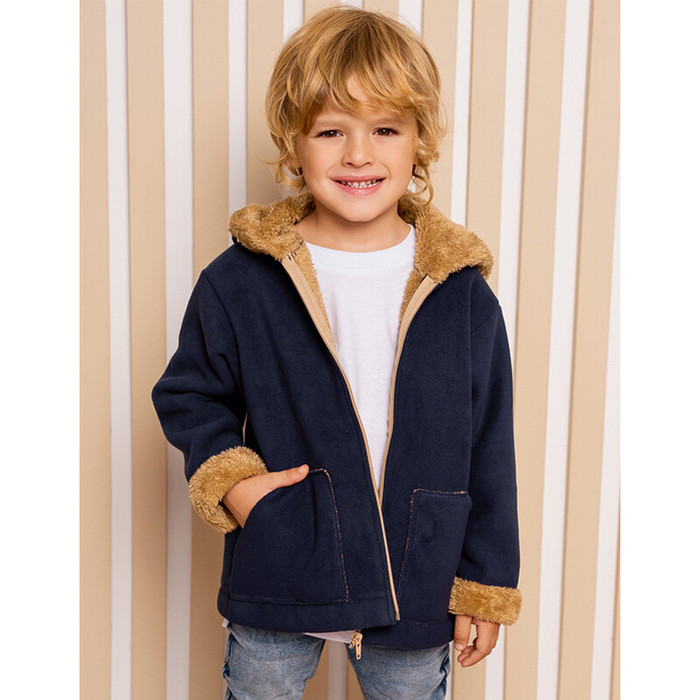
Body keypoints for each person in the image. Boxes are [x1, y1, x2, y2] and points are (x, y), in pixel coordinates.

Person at [152, 7, 521, 699]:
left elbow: (489, 442)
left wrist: (484, 581)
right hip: (283, 558)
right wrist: (237, 485)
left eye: (385, 129)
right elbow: (190, 393)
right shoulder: (242, 280)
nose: (358, 154)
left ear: (419, 140)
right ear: (294, 145)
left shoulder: (461, 293)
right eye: (330, 131)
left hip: (416, 574)